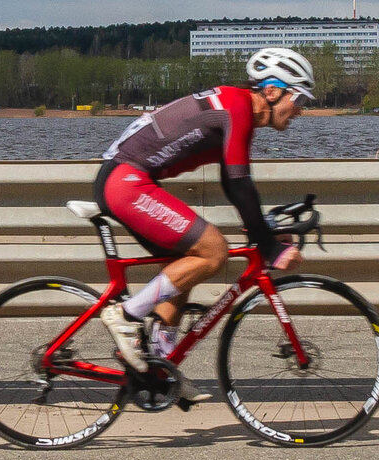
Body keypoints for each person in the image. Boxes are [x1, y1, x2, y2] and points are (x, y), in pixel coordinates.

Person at [97, 46, 314, 402]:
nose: (301, 110)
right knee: (214, 250)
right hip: (126, 182)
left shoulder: (238, 109)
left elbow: (234, 184)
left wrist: (263, 231)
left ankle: (158, 365)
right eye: (299, 97)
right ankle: (125, 314)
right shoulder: (237, 107)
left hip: (127, 181)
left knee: (187, 264)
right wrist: (269, 245)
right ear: (273, 91)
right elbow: (239, 183)